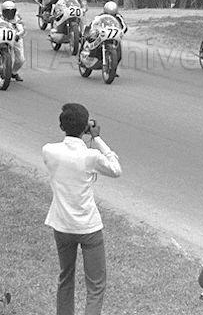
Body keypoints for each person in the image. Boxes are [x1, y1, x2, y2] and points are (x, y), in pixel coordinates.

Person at [43, 103, 121, 315]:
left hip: (61, 225)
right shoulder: (90, 156)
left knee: (65, 277)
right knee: (95, 285)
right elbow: (116, 169)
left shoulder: (49, 151)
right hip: (88, 227)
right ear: (85, 127)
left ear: (62, 125)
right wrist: (97, 139)